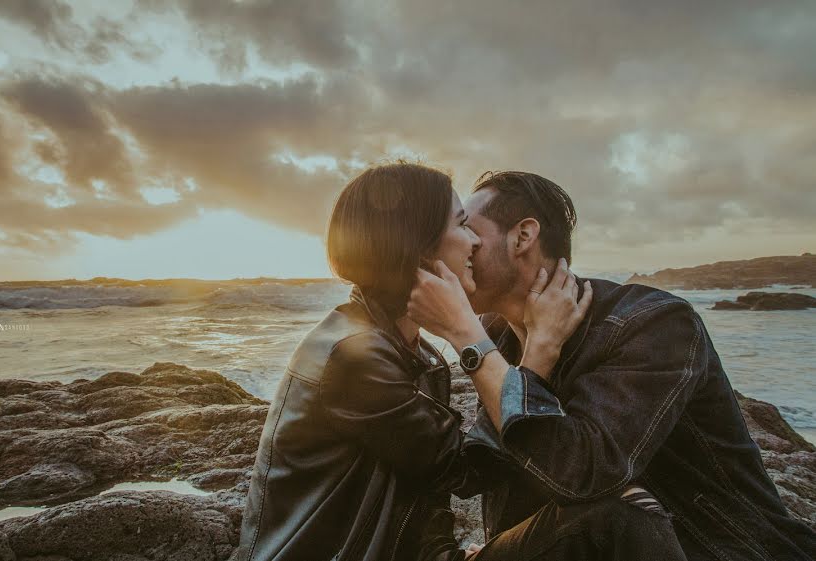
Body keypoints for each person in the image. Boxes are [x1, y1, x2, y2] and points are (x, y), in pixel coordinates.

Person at [407, 171, 816, 560]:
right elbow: (487, 472)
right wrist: (533, 360)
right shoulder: (498, 334)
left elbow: (582, 478)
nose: (457, 245)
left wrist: (466, 340)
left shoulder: (654, 323)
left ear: (523, 236)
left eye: (468, 230)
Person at [236, 162, 502, 561]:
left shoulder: (412, 351)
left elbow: (424, 493)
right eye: (462, 224)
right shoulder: (355, 355)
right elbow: (466, 471)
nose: (474, 242)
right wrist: (506, 349)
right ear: (418, 246)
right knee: (600, 519)